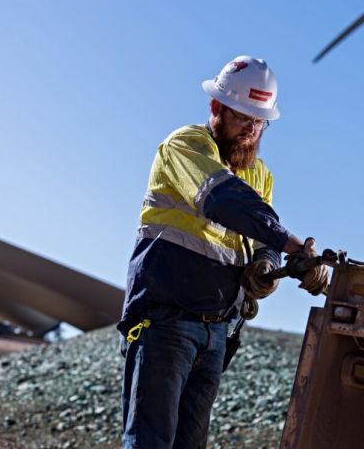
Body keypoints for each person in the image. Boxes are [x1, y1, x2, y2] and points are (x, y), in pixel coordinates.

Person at [117, 55, 329, 449]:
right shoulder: (185, 146)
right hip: (166, 324)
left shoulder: (259, 174)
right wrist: (295, 244)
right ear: (217, 107)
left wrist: (267, 265)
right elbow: (223, 200)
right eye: (242, 117)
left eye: (259, 121)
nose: (250, 130)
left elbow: (262, 235)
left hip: (217, 331)